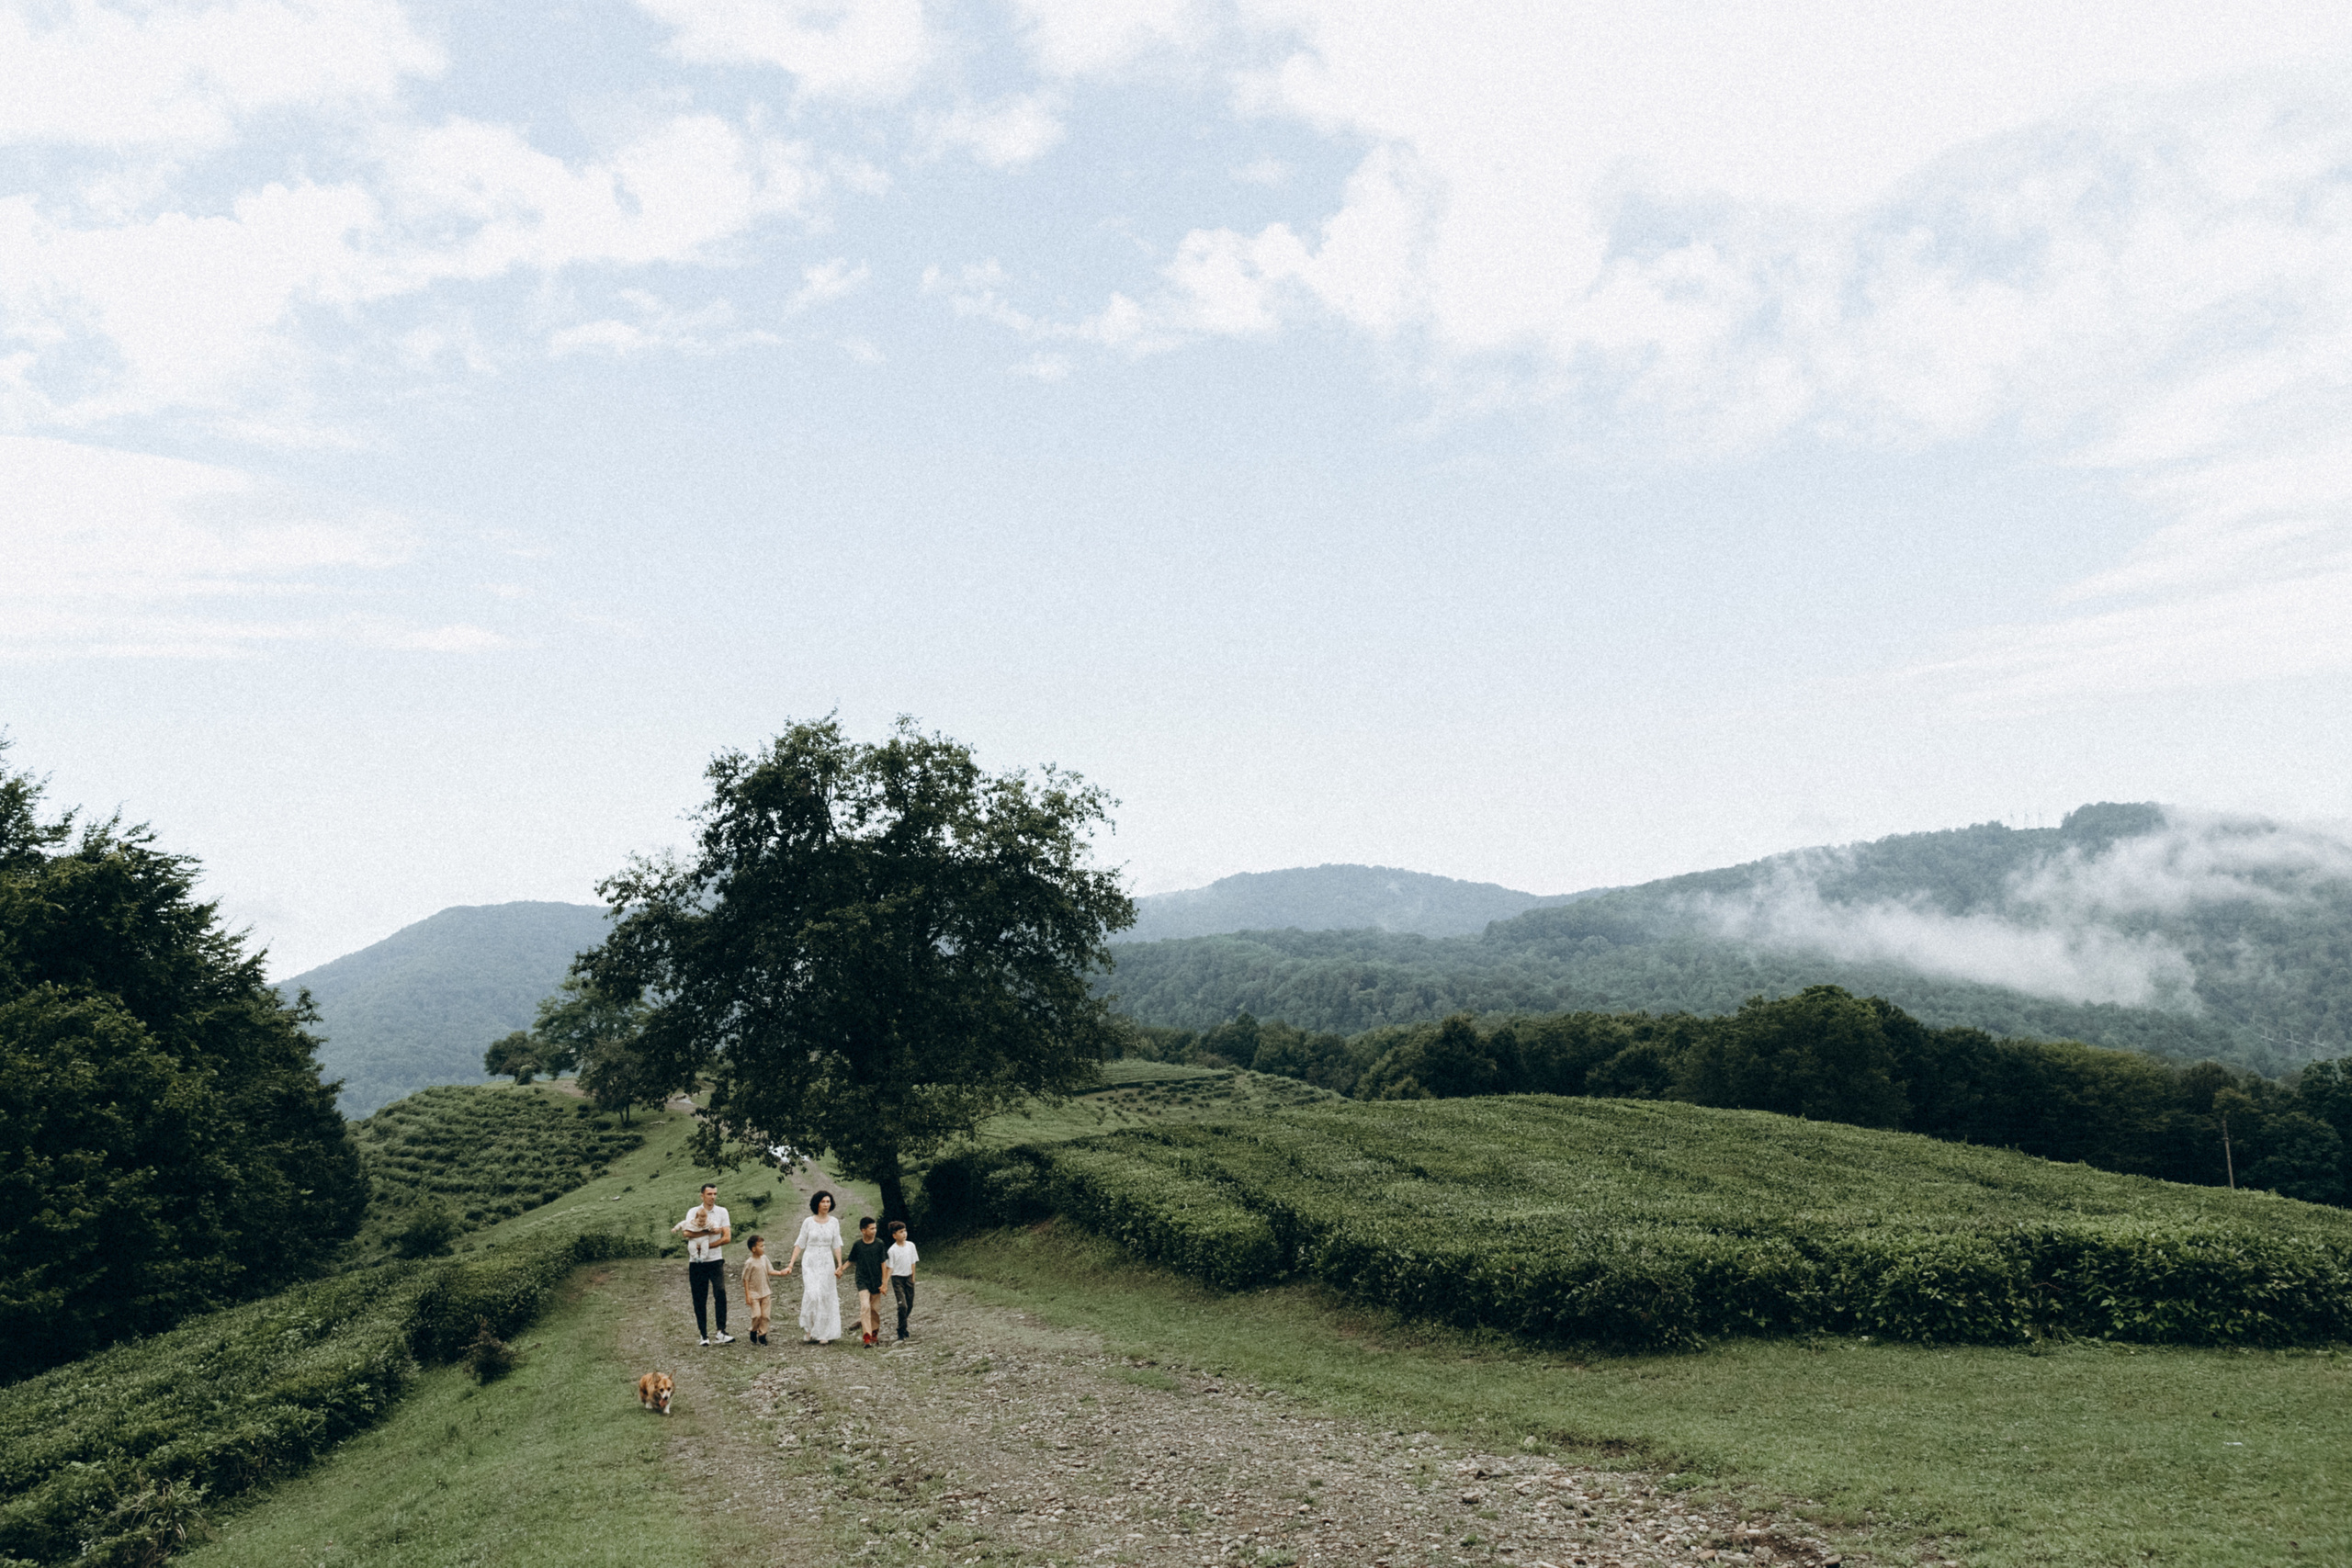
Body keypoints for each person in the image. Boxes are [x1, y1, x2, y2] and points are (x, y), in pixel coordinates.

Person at [673, 1182, 733, 1347]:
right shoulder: (693, 1211)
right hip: (697, 1262)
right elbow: (686, 1233)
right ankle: (703, 1334)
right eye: (709, 1194)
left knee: (720, 1292)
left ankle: (721, 1331)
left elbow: (727, 1237)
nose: (713, 1197)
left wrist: (708, 1245)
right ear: (702, 1196)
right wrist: (708, 1232)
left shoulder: (722, 1212)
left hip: (715, 1259)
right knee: (699, 1297)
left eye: (715, 1194)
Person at [785, 1190, 844, 1344]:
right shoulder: (808, 1222)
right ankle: (809, 1329)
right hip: (810, 1261)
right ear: (816, 1203)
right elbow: (800, 1243)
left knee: (825, 1295)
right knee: (812, 1294)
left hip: (826, 1261)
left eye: (828, 1202)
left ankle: (823, 1333)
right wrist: (791, 1263)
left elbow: (836, 1244)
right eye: (823, 1202)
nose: (826, 1205)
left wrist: (839, 1265)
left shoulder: (834, 1222)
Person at [845, 1216, 889, 1347]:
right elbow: (851, 1260)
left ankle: (874, 1333)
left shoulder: (879, 1244)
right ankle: (867, 1336)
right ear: (863, 1230)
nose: (874, 1231)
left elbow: (884, 1265)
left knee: (875, 1309)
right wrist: (840, 1269)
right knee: (865, 1306)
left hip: (876, 1280)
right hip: (862, 1280)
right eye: (871, 1229)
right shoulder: (858, 1245)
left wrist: (884, 1283)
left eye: (875, 1228)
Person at [741, 1235, 784, 1345]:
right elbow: (745, 1279)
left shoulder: (764, 1259)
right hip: (754, 1294)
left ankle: (762, 1335)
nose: (763, 1248)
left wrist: (780, 1273)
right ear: (754, 1249)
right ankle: (753, 1330)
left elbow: (770, 1271)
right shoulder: (749, 1262)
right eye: (761, 1246)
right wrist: (747, 1295)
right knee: (757, 1315)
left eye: (764, 1245)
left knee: (765, 1316)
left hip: (766, 1292)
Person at [885, 1219, 919, 1340]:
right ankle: (901, 1329)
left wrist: (913, 1277)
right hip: (897, 1279)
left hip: (908, 1277)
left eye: (905, 1231)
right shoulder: (892, 1250)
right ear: (894, 1235)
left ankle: (902, 1326)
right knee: (902, 1306)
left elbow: (913, 1262)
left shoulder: (911, 1246)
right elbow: (890, 1268)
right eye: (901, 1232)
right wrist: (885, 1283)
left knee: (909, 1305)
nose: (904, 1234)